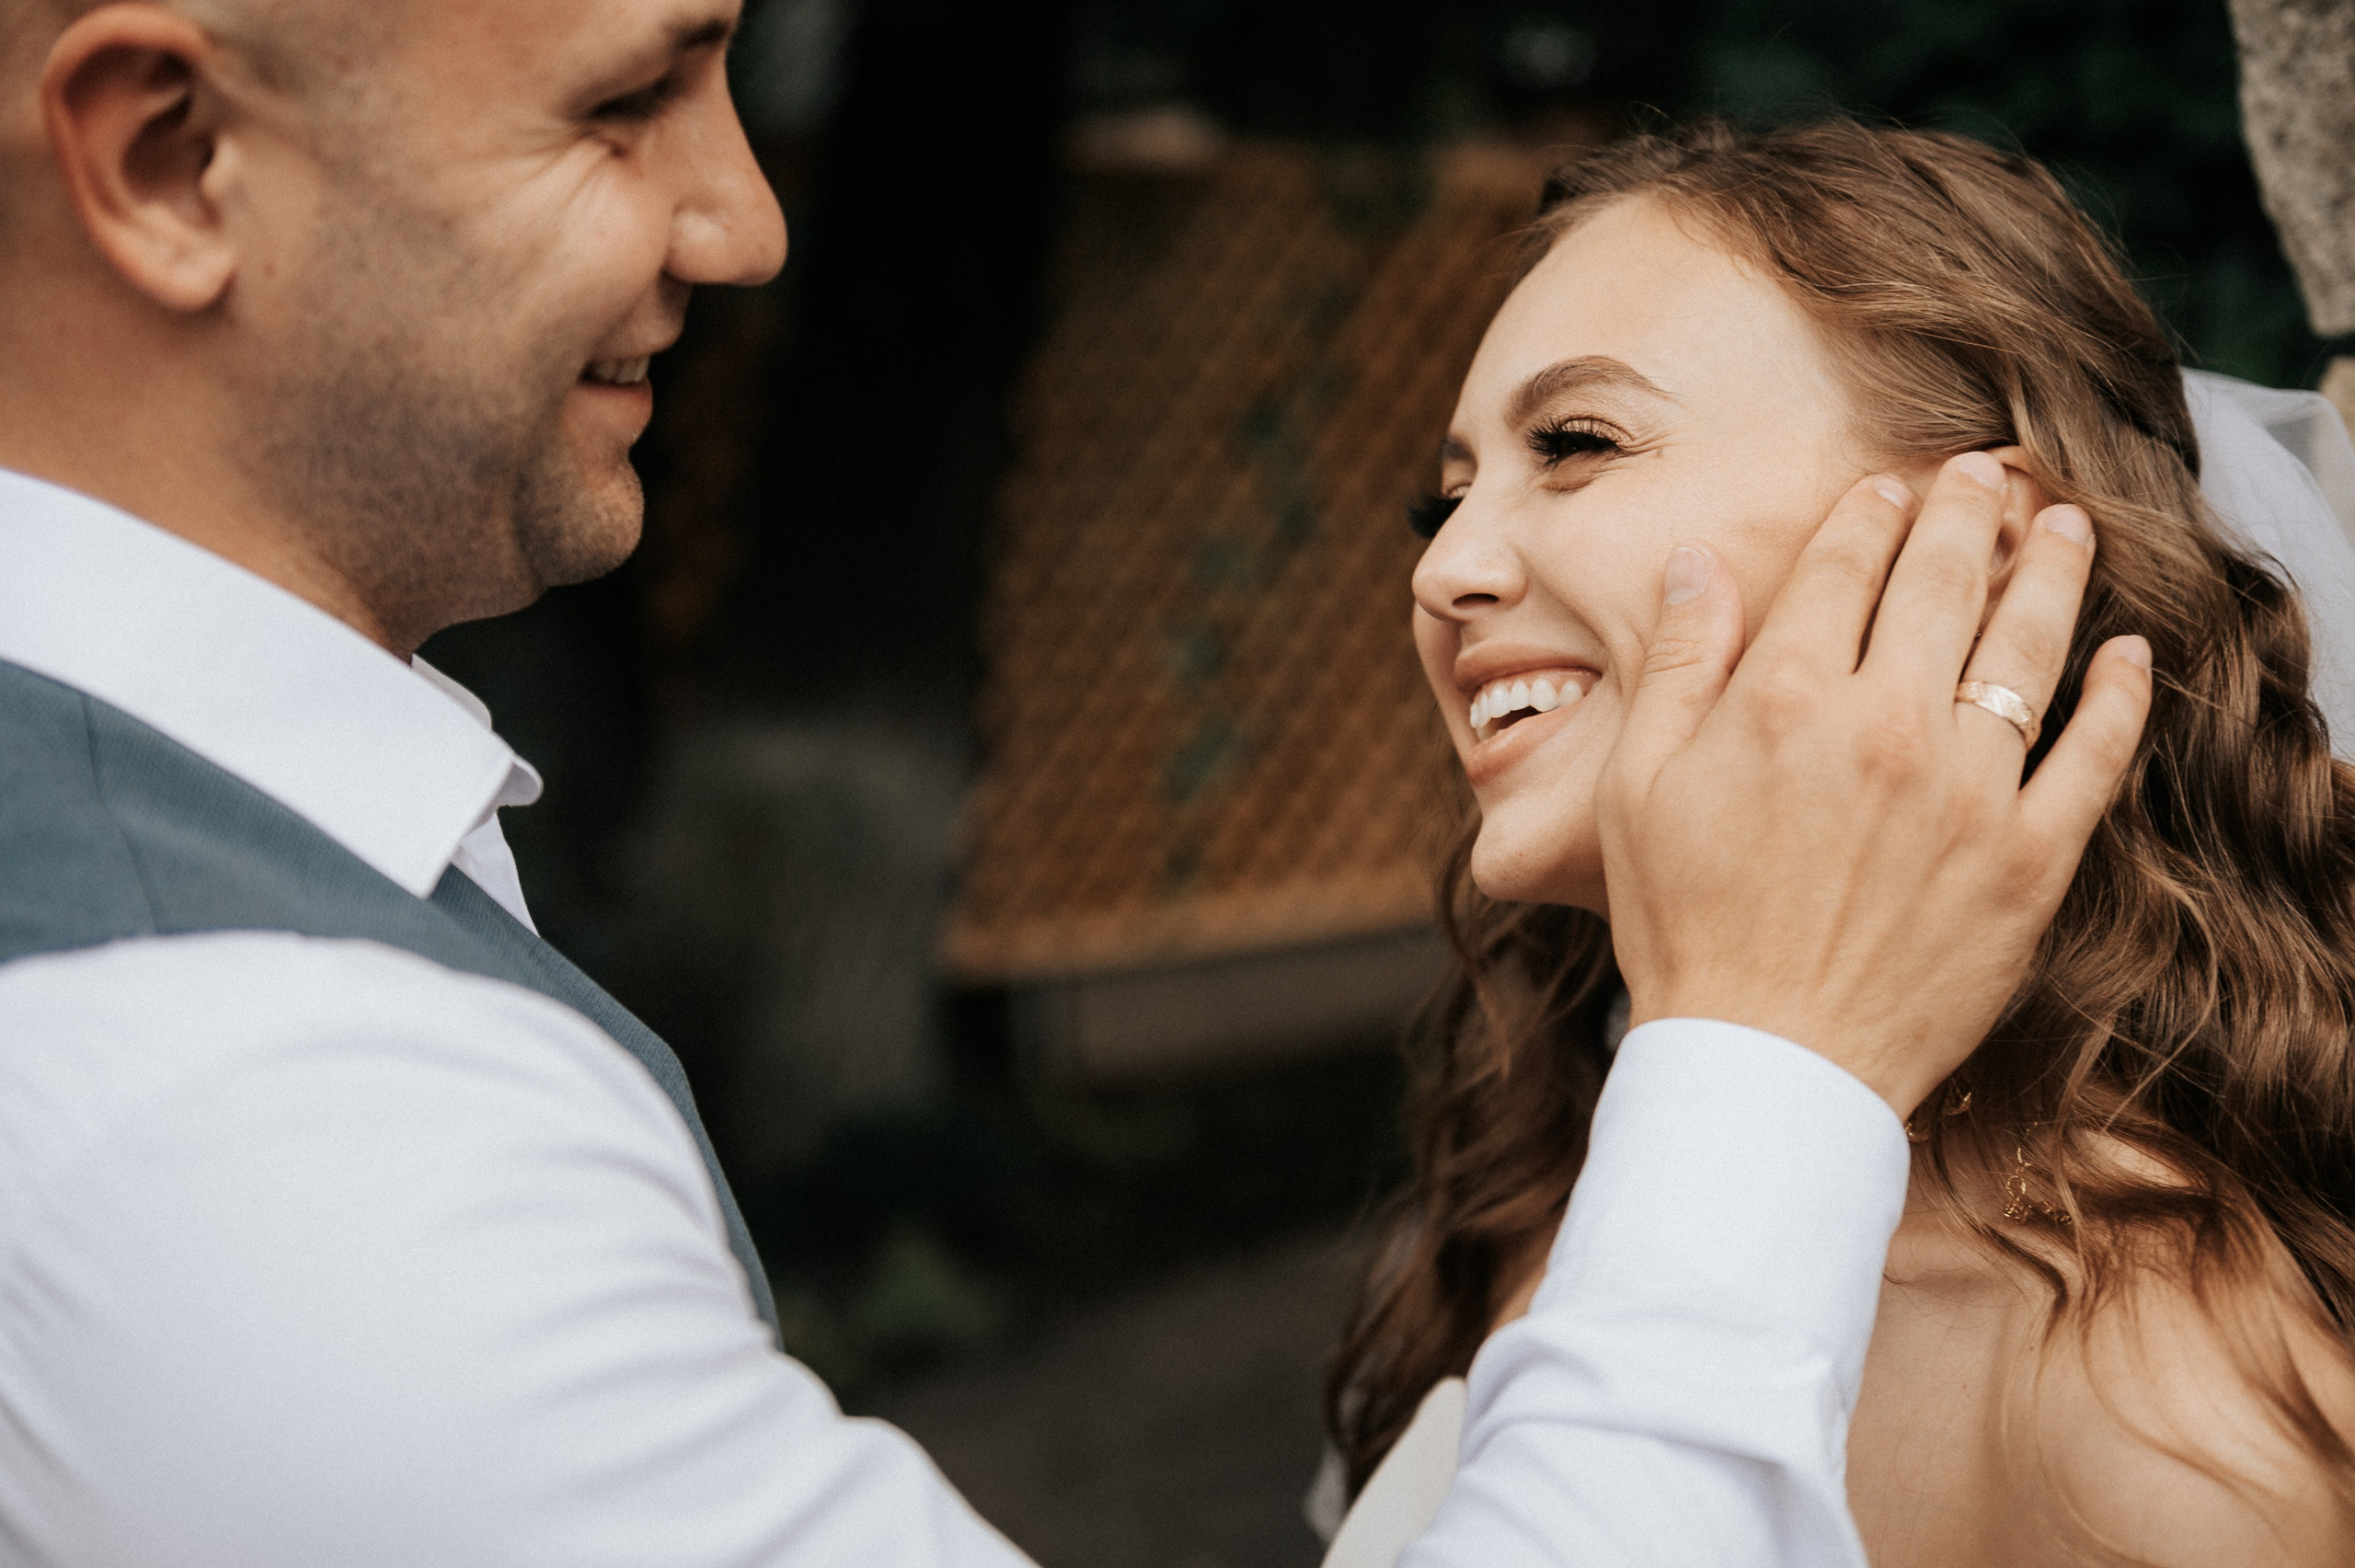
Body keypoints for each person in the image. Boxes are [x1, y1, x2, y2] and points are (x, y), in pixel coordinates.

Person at [0, 6, 2144, 1563]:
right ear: (173, 156)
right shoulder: (234, 1084)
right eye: (623, 99)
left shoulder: (2185, 1364)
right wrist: (1763, 1067)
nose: (746, 218)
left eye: (1573, 445)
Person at [1323, 120, 2355, 1568]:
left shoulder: (2158, 1424)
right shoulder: (1558, 1163)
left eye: (1577, 445)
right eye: (1446, 497)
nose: (1442, 571)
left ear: (1989, 552)